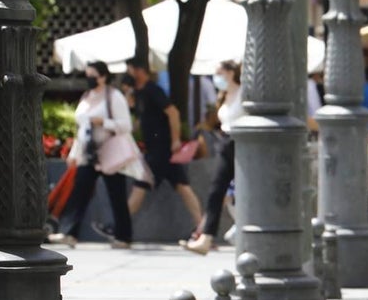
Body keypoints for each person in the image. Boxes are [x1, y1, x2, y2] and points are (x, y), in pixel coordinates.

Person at [93, 57, 203, 238]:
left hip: (162, 149)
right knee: (182, 186)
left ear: (139, 70)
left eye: (129, 70)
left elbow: (173, 113)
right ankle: (202, 228)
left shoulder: (153, 90)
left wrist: (175, 140)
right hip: (158, 150)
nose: (128, 74)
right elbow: (140, 121)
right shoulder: (140, 93)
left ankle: (118, 226)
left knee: (141, 185)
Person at [47, 61, 135, 249]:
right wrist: (74, 153)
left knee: (117, 194)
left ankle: (124, 236)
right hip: (89, 154)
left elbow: (126, 126)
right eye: (86, 75)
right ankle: (69, 233)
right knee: (79, 192)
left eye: (92, 76)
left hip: (109, 152)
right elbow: (81, 129)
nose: (89, 79)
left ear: (103, 77)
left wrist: (103, 122)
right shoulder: (86, 97)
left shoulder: (114, 96)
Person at [181, 60, 243, 255]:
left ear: (231, 73)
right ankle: (206, 238)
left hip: (241, 143)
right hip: (226, 142)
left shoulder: (244, 93)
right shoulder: (223, 95)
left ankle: (241, 232)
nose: (216, 77)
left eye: (219, 72)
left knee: (240, 192)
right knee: (217, 190)